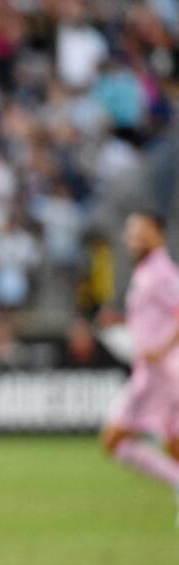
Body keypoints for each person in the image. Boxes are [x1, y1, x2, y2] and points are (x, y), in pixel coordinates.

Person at [100, 210, 179, 516]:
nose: (131, 239)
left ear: (156, 233)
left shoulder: (162, 271)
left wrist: (161, 348)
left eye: (138, 232)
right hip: (159, 372)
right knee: (173, 443)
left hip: (158, 375)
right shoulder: (146, 271)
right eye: (129, 233)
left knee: (114, 440)